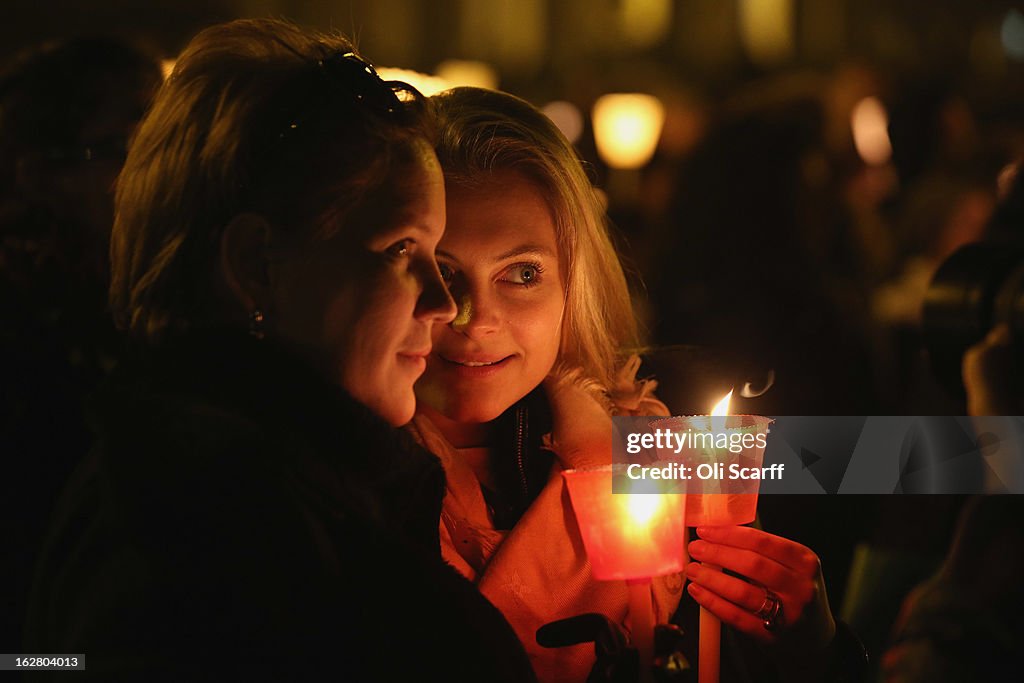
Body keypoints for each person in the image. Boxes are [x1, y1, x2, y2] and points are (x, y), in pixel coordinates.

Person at [23, 20, 534, 682]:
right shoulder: (197, 536)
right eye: (402, 249)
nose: (444, 303)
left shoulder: (287, 484)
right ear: (257, 265)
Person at [411, 87, 858, 682]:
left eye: (522, 273)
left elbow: (964, 459)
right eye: (443, 273)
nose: (477, 318)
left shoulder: (669, 438)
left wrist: (814, 648)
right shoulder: (316, 476)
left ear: (576, 283)